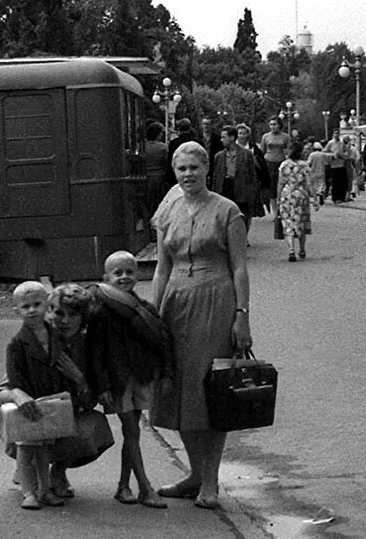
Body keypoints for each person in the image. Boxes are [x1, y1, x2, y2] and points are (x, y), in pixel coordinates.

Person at [149, 142, 253, 510]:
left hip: (216, 302)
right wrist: (154, 315)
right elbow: (162, 267)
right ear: (174, 172)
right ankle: (194, 475)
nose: (188, 174)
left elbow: (239, 267)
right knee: (179, 391)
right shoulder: (169, 211)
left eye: (194, 167)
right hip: (176, 304)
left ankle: (211, 481)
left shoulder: (228, 211)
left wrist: (242, 314)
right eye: (181, 169)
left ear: (207, 168)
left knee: (213, 392)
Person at [88, 251, 172, 509]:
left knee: (131, 432)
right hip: (117, 381)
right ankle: (145, 488)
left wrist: (166, 373)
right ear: (106, 278)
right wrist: (101, 386)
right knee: (132, 431)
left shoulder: (144, 309)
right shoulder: (100, 313)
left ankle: (124, 486)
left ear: (138, 275)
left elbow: (162, 343)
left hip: (141, 377)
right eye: (118, 273)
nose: (124, 277)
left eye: (129, 272)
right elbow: (95, 352)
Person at [2, 281, 66, 509]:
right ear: (17, 310)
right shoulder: (17, 343)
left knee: (44, 449)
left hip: (50, 400)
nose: (32, 310)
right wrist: (22, 396)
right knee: (26, 447)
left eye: (37, 304)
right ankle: (28, 492)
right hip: (28, 402)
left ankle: (45, 489)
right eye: (25, 306)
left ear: (47, 304)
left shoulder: (55, 335)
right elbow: (14, 375)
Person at [211, 125, 258, 233]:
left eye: (224, 137)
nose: (221, 140)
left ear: (232, 138)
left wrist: (252, 193)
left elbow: (252, 175)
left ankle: (241, 237)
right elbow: (216, 176)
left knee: (241, 215)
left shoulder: (246, 154)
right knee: (224, 215)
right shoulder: (219, 156)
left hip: (240, 188)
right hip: (224, 188)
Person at [277, 140, 317, 261]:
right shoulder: (304, 165)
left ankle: (291, 250)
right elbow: (309, 184)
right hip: (301, 195)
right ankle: (302, 249)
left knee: (288, 222)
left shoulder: (284, 165)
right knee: (302, 222)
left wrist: (278, 198)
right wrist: (314, 199)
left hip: (287, 196)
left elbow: (280, 183)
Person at [260, 117, 293, 225]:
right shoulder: (266, 136)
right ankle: (275, 213)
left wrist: (289, 163)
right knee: (272, 189)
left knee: (283, 187)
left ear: (279, 125)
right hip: (268, 163)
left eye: (275, 124)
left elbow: (289, 150)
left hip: (281, 163)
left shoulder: (285, 137)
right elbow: (262, 151)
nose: (273, 127)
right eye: (271, 124)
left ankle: (283, 210)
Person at [143, 123, 169, 212]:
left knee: (147, 202)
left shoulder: (143, 146)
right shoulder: (163, 147)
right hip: (159, 177)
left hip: (145, 177)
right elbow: (166, 163)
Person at [325, 129, 350, 204]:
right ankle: (335, 197)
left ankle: (342, 197)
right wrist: (332, 155)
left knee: (342, 181)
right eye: (335, 133)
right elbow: (325, 152)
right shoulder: (330, 143)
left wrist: (343, 155)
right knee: (335, 182)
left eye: (338, 133)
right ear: (333, 135)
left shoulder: (342, 143)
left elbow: (346, 152)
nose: (337, 135)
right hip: (334, 165)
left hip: (341, 164)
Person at [307, 141, 333, 205]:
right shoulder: (323, 154)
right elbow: (329, 159)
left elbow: (309, 163)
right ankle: (321, 193)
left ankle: (315, 197)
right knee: (321, 184)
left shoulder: (312, 154)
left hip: (313, 172)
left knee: (313, 184)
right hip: (322, 171)